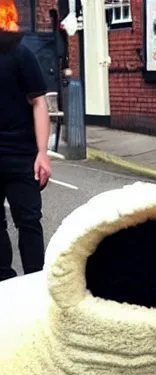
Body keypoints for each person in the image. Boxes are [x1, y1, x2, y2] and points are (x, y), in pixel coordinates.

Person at [0, 28, 52, 282]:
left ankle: (34, 285)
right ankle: (5, 284)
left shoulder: (20, 54)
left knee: (29, 222)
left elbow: (39, 103)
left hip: (22, 156)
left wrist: (42, 153)